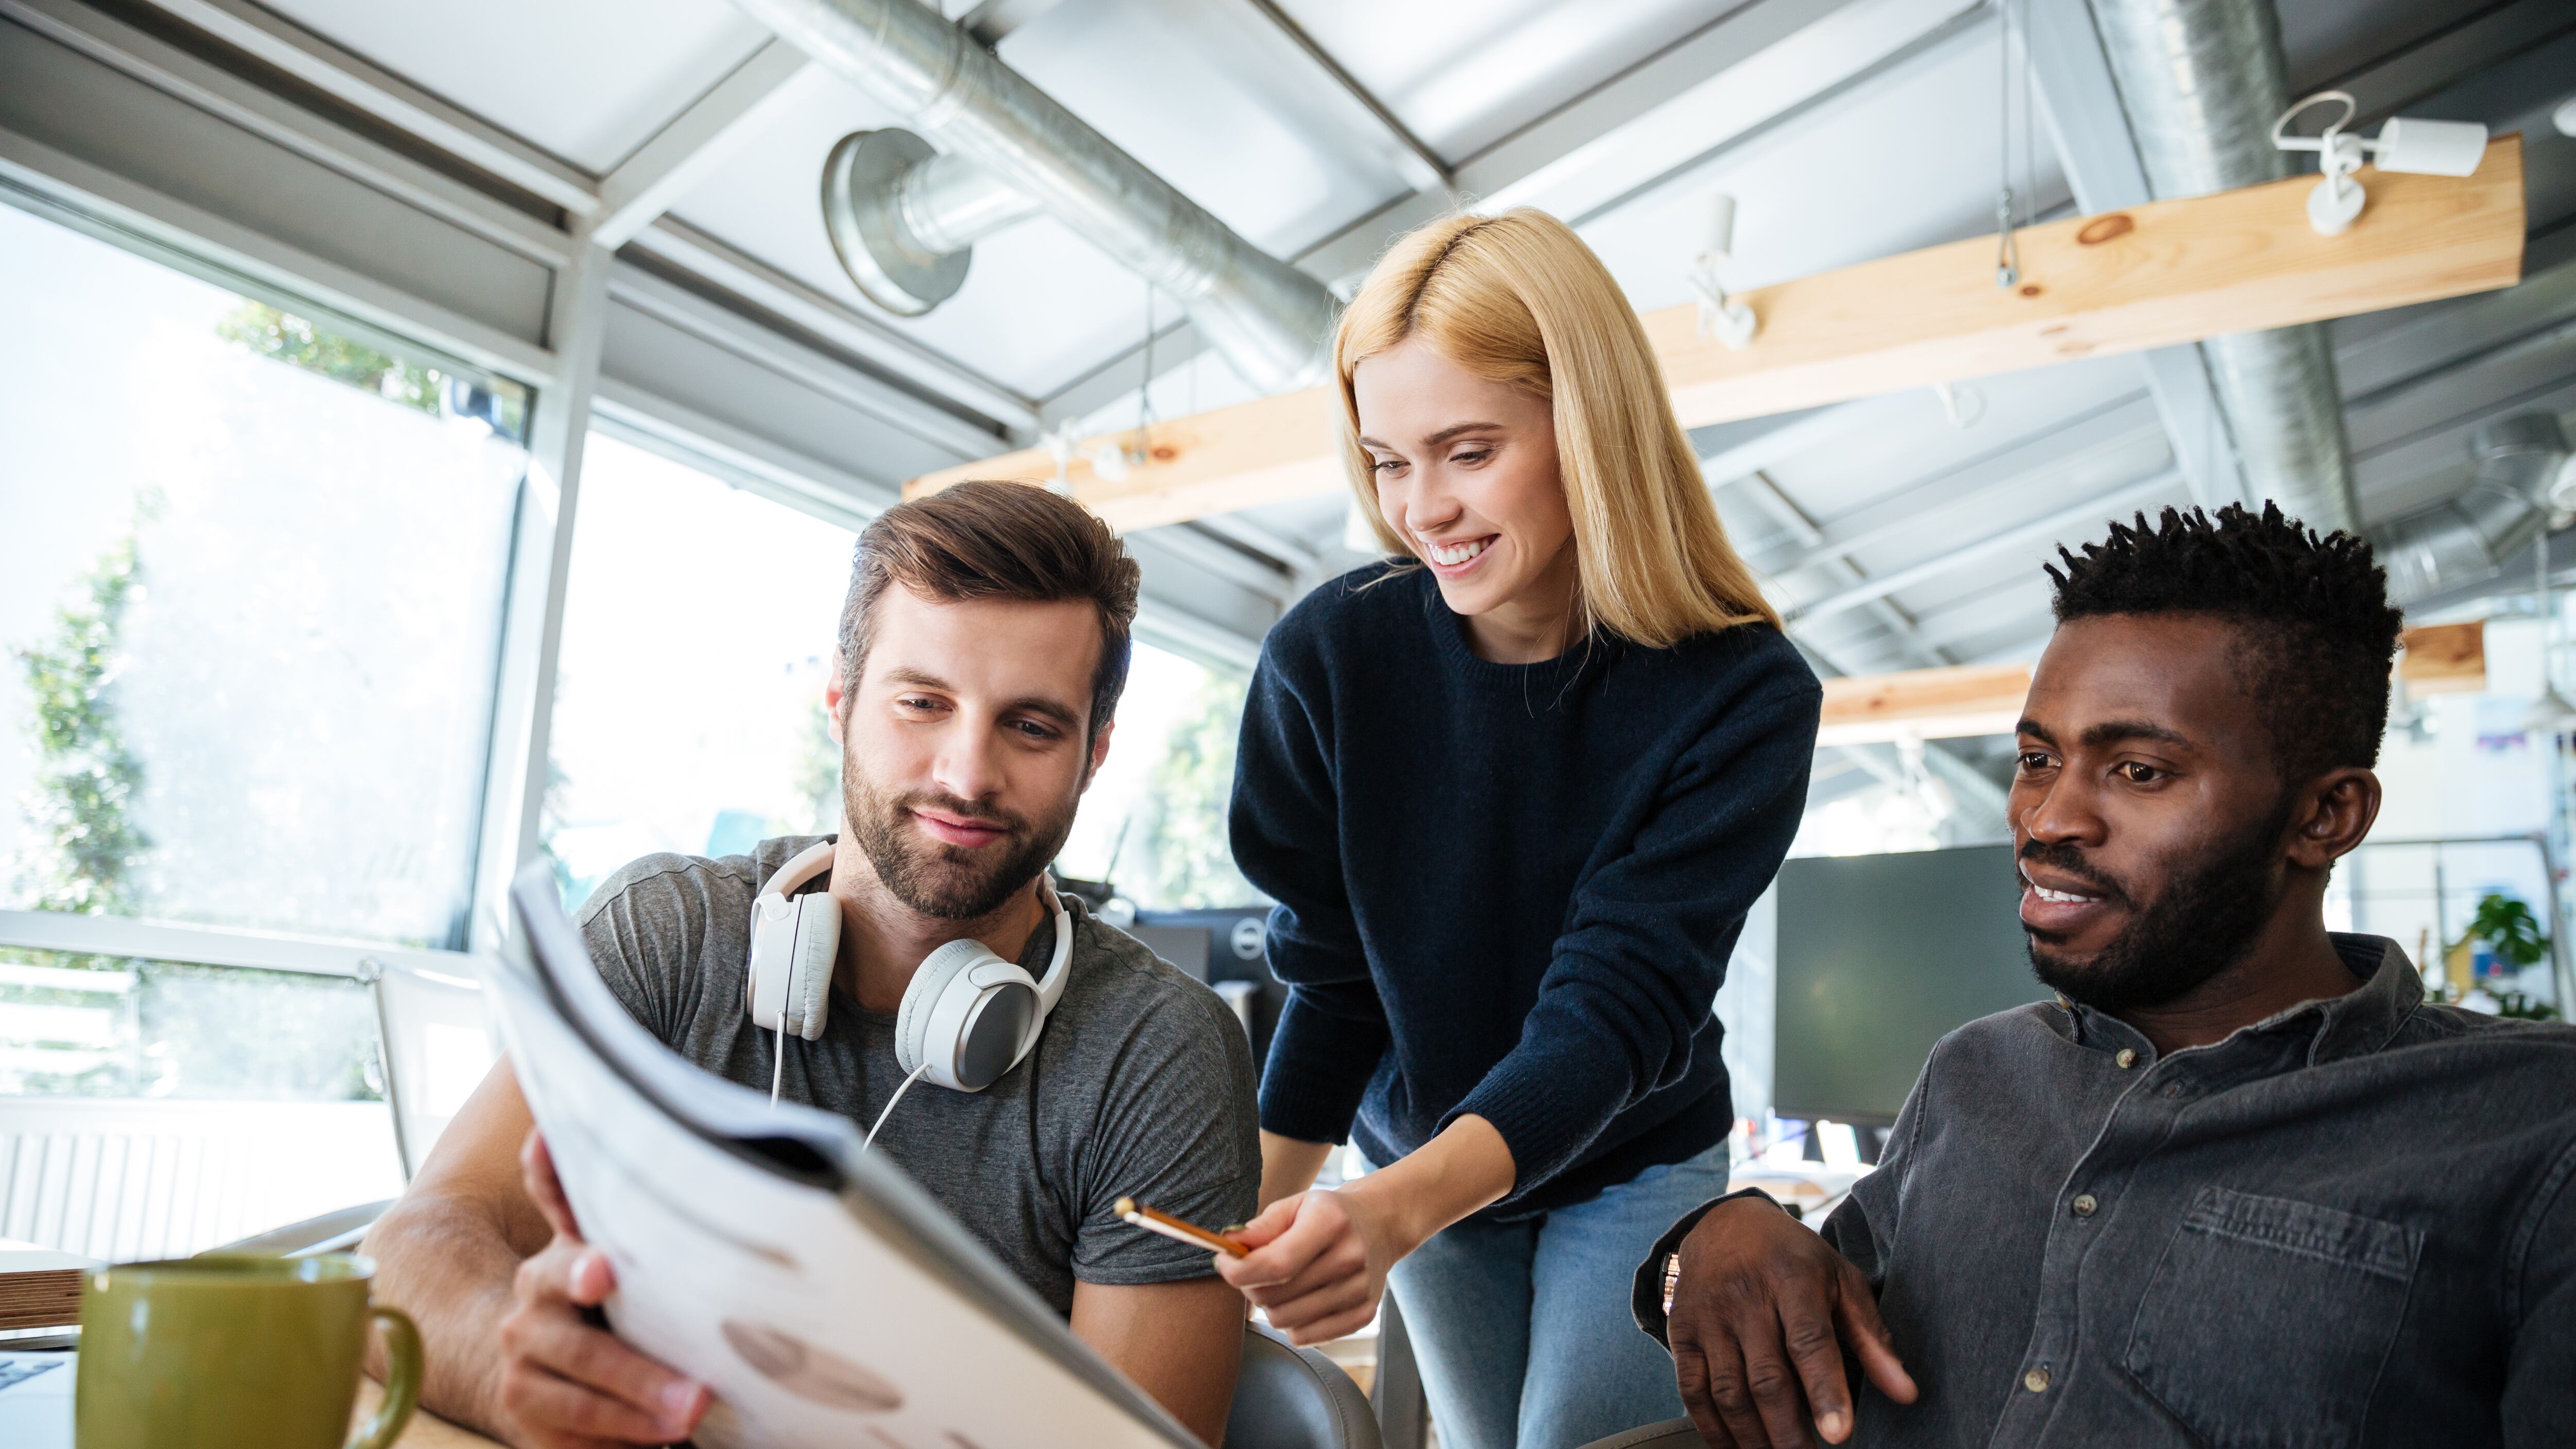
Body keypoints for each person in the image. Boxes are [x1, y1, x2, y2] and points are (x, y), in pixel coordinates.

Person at [1639, 503, 2576, 1448]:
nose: (2047, 819)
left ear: (2325, 816)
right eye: (2038, 758)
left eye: (2137, 770)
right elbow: (1791, 1293)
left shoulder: (2533, 1124)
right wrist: (1708, 1243)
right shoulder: (1975, 1076)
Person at [362, 482, 1261, 1449]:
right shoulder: (671, 934)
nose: (966, 774)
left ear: (1095, 753)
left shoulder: (1160, 1053)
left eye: (1032, 726)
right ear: (841, 697)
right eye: (923, 702)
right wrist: (516, 1366)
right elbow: (417, 1242)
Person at [1213, 208, 1822, 1449]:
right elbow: (1333, 977)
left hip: (1629, 1159)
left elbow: (1613, 1010)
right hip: (1417, 1153)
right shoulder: (1329, 659)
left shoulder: (1741, 695)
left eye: (1468, 451)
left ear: (1586, 427)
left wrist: (1389, 1214)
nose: (1421, 509)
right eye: (1388, 461)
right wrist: (1235, 1240)